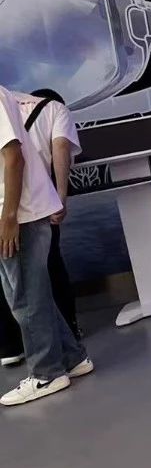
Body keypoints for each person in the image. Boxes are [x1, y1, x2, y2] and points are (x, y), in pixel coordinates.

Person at [0, 83, 91, 406]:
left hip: (19, 214)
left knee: (25, 298)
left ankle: (46, 373)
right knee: (33, 294)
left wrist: (9, 216)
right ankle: (72, 356)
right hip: (22, 211)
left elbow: (13, 157)